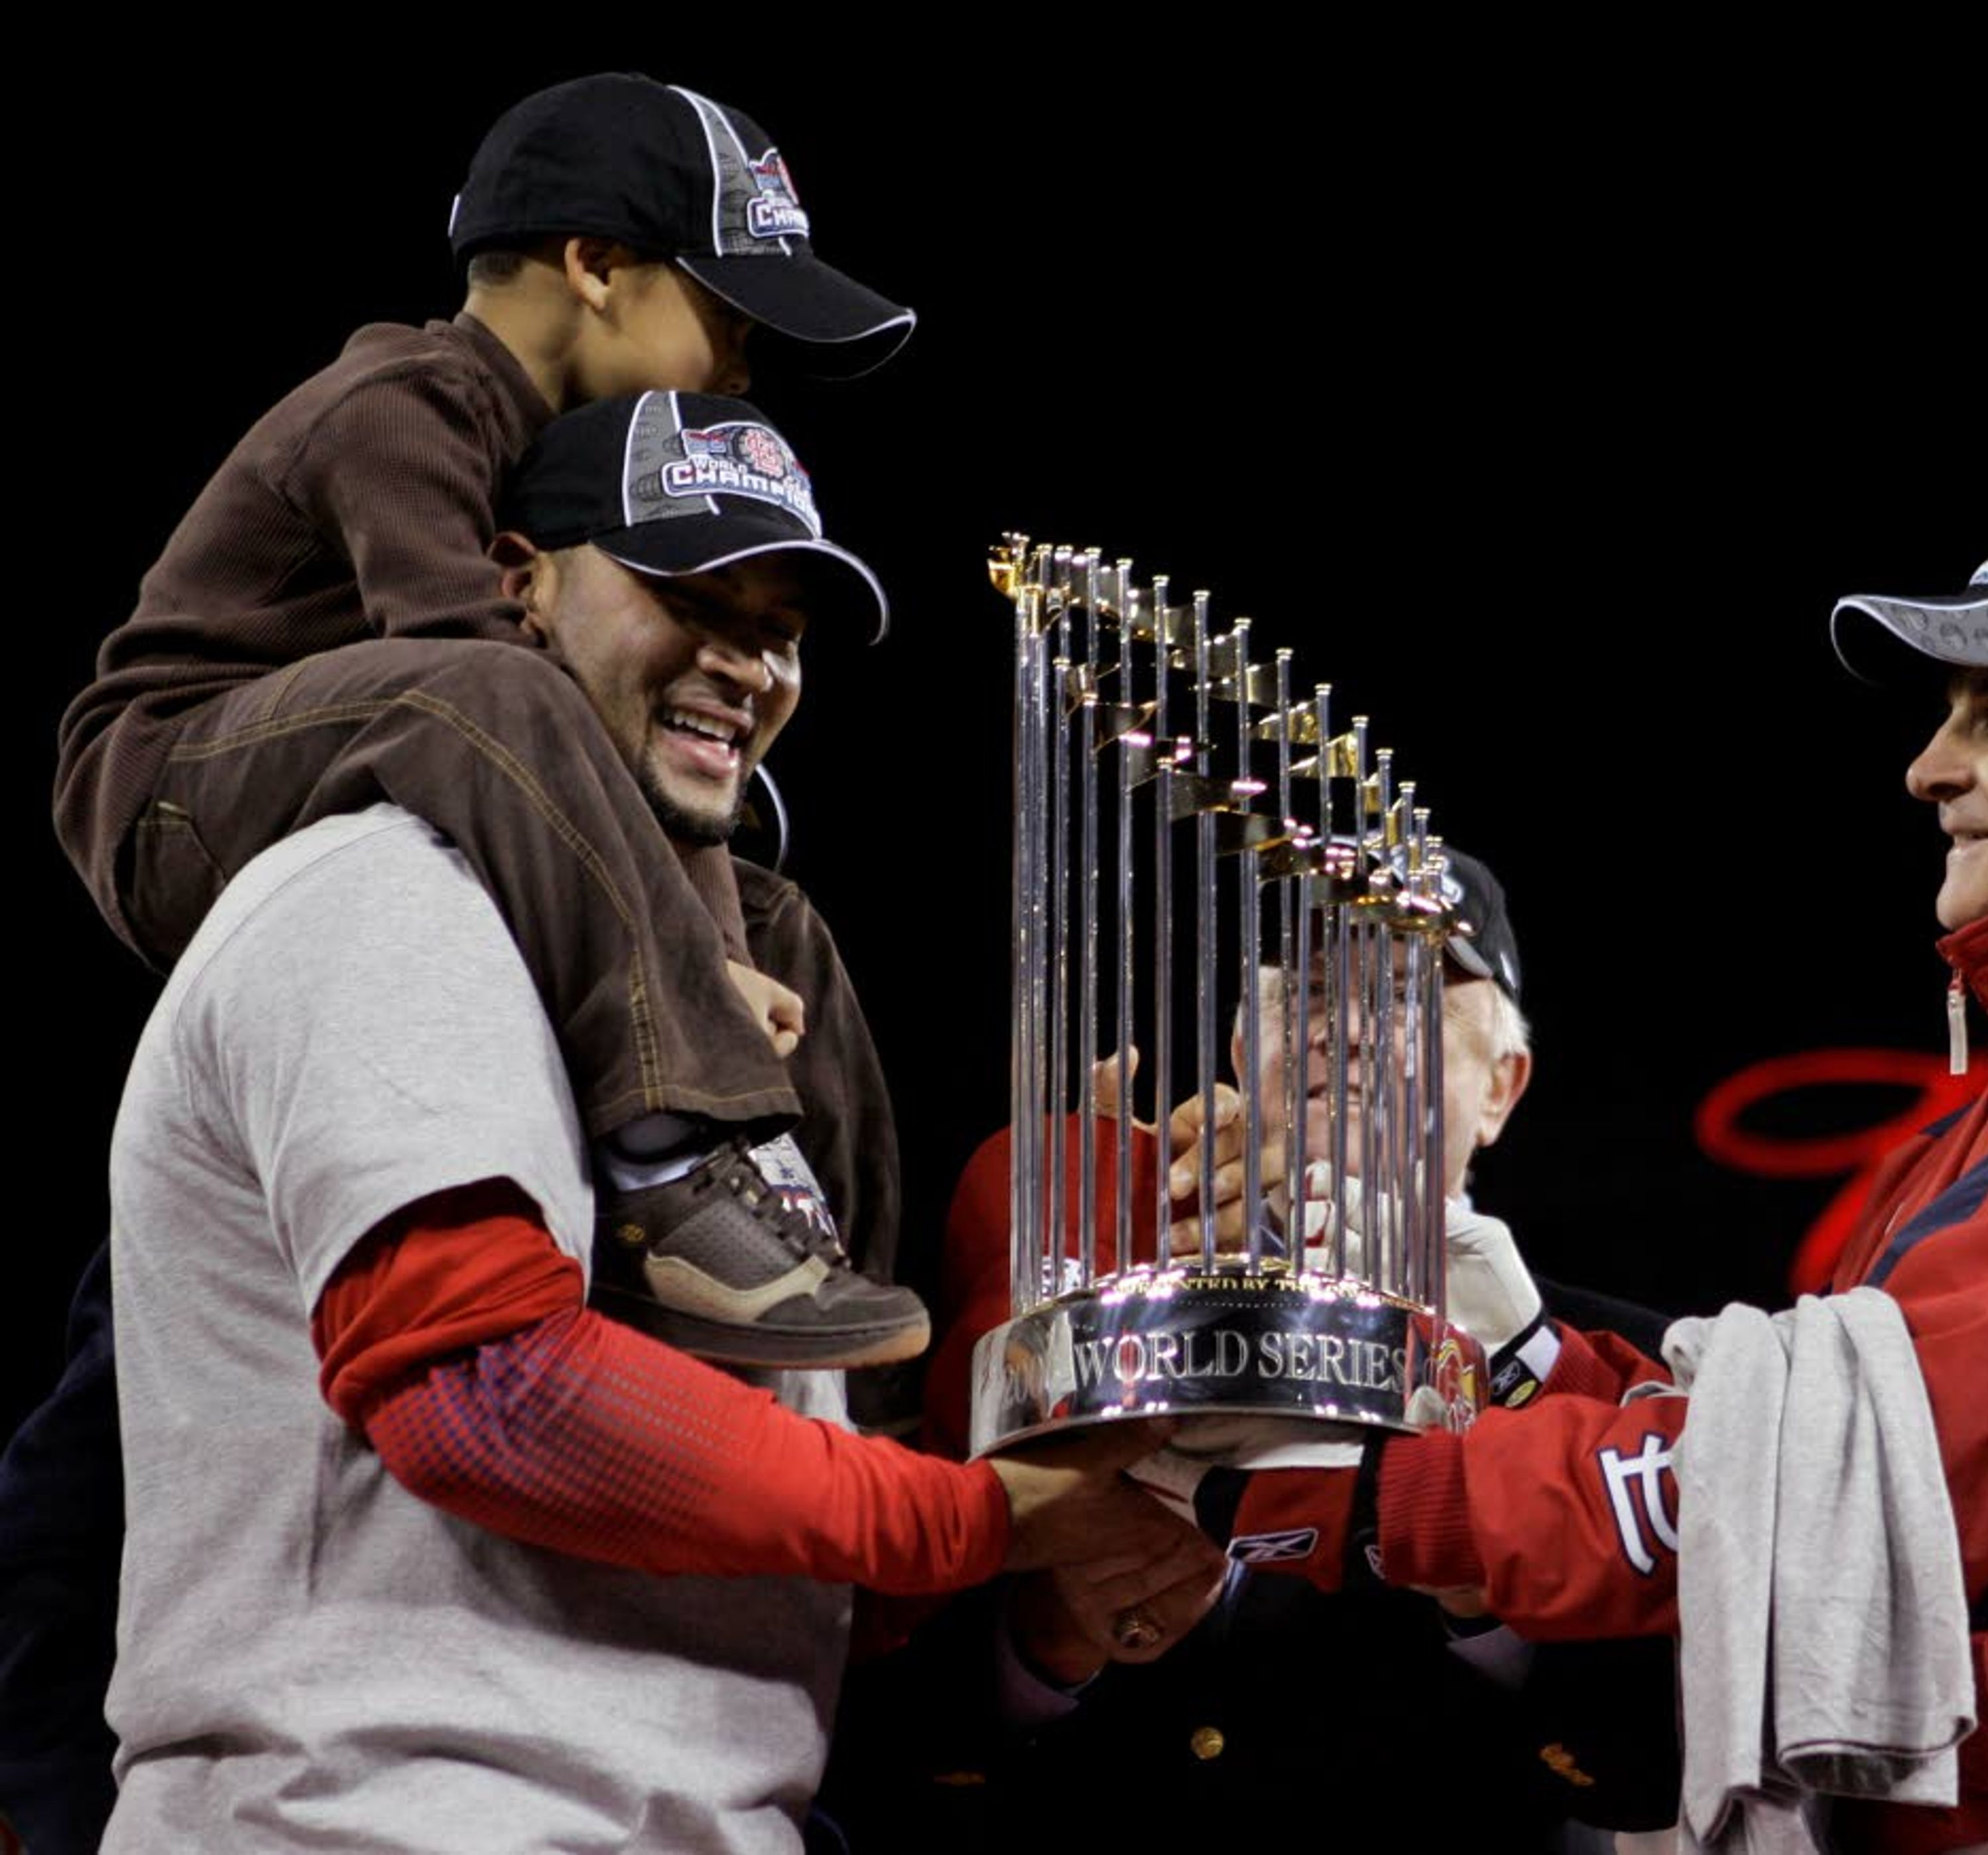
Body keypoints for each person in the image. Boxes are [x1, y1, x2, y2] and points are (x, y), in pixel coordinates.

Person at [1195, 499, 1988, 1854]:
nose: (1930, 766)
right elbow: (1822, 1435)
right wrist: (1523, 1369)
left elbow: (1916, 1476)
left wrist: (1390, 1500)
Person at [90, 393, 1202, 1853]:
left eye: (781, 626)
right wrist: (980, 1517)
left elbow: (816, 1580)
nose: (742, 660)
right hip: (380, 1821)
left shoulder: (709, 1019)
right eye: (685, 591)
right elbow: (493, 1400)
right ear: (517, 582)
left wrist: (1051, 1380)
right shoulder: (383, 894)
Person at [53, 70, 921, 1369]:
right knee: (511, 695)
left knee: (750, 873)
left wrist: (724, 934)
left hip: (357, 746)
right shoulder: (406, 405)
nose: (744, 368)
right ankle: (667, 1157)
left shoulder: (516, 442)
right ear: (595, 265)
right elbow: (469, 675)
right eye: (728, 317)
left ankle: (833, 1285)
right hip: (170, 782)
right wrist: (683, 970)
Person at [854, 846, 1680, 1852]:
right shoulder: (1108, 1295)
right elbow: (881, 1721)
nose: (1347, 1028)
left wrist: (1484, 1577)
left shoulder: (1612, 1367)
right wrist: (1051, 1635)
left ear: (1503, 1086)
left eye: (1404, 994)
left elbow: (1652, 1766)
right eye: (1314, 993)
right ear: (1250, 1047)